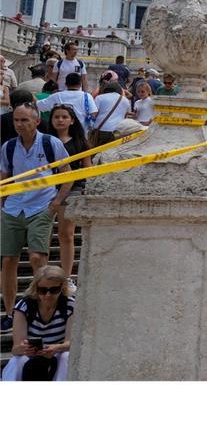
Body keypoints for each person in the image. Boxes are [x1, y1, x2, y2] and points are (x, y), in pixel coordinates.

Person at [1, 104, 73, 333]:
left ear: (36, 121)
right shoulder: (9, 146)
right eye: (16, 120)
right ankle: (10, 312)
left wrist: (56, 202)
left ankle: (43, 308)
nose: (19, 125)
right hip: (13, 206)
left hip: (41, 205)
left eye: (24, 120)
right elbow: (5, 175)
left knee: (37, 257)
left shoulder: (51, 143)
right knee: (7, 260)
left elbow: (68, 173)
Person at [1, 265, 74, 381]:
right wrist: (24, 348)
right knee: (17, 361)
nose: (48, 295)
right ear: (36, 288)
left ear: (62, 288)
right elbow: (15, 349)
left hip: (58, 352)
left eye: (54, 290)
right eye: (42, 290)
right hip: (31, 355)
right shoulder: (24, 306)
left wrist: (55, 348)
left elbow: (71, 344)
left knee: (66, 357)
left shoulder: (70, 306)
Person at [46, 105, 89, 291]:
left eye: (64, 117)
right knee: (44, 235)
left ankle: (67, 276)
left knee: (66, 234)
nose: (60, 120)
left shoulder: (80, 141)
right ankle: (44, 274)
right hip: (46, 189)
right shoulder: (45, 141)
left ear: (72, 120)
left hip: (73, 189)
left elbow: (88, 167)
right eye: (57, 117)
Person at [90, 80, 129, 146]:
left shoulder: (99, 98)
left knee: (99, 151)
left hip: (102, 130)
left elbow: (94, 115)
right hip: (118, 131)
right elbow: (125, 115)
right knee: (113, 151)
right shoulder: (125, 100)